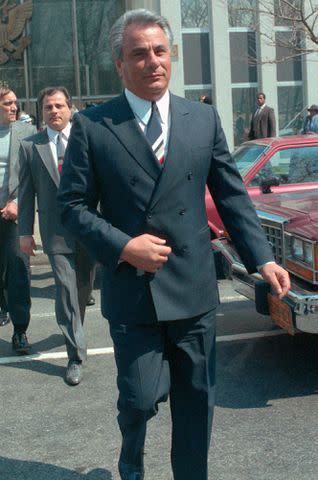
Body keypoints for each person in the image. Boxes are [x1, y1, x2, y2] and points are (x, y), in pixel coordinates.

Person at [57, 9, 290, 480]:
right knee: (140, 400)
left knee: (196, 404)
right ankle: (132, 459)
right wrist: (124, 246)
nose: (152, 62)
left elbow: (230, 195)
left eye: (160, 51)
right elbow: (72, 207)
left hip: (193, 291)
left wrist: (262, 259)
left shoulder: (201, 118)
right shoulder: (94, 125)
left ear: (172, 56)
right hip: (133, 293)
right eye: (139, 54)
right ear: (120, 64)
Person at [18, 86, 94, 386]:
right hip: (54, 233)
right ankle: (75, 355)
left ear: (70, 108)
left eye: (59, 106)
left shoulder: (86, 138)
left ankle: (75, 328)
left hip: (88, 228)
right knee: (64, 291)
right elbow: (26, 194)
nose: (54, 111)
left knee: (83, 291)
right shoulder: (30, 146)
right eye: (48, 107)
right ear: (41, 112)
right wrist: (25, 233)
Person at [0, 82, 36, 353]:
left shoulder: (26, 132)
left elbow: (33, 177)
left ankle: (20, 331)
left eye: (14, 102)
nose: (14, 107)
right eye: (7, 103)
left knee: (18, 270)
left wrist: (17, 202)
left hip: (13, 214)